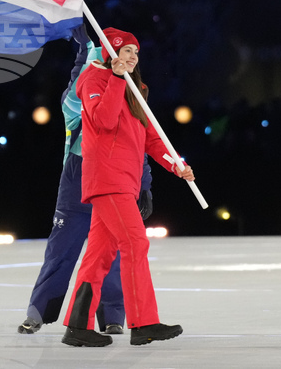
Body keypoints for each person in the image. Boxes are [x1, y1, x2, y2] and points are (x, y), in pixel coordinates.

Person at [62, 27, 196, 347]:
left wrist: (176, 165)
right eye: (126, 51)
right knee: (136, 245)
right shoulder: (93, 80)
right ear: (111, 55)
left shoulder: (136, 90)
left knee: (98, 256)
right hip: (108, 180)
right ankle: (144, 323)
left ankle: (77, 327)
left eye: (136, 52)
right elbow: (104, 120)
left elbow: (151, 138)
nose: (133, 57)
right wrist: (116, 79)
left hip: (125, 183)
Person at [19, 25, 153, 335]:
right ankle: (39, 311)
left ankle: (112, 316)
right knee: (62, 248)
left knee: (113, 250)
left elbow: (139, 146)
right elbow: (85, 77)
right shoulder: (77, 103)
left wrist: (145, 184)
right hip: (79, 179)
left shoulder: (129, 98)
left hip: (115, 180)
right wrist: (86, 51)